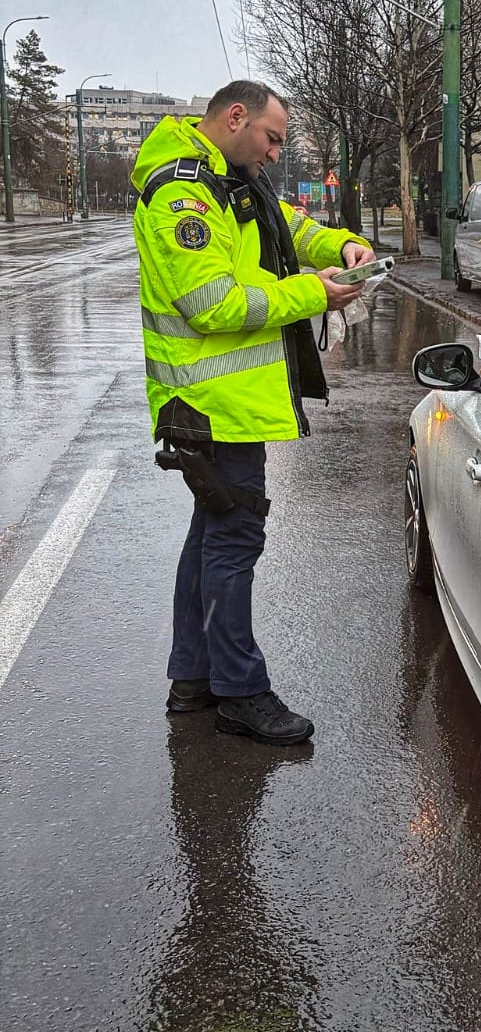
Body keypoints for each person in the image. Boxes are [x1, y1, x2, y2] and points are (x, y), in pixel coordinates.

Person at [130, 80, 371, 746]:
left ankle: (194, 678)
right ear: (235, 118)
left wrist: (342, 245)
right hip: (209, 407)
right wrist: (309, 296)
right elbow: (211, 303)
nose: (273, 152)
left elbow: (288, 227)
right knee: (234, 538)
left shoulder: (229, 179)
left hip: (224, 407)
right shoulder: (182, 194)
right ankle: (240, 690)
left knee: (212, 534)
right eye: (270, 137)